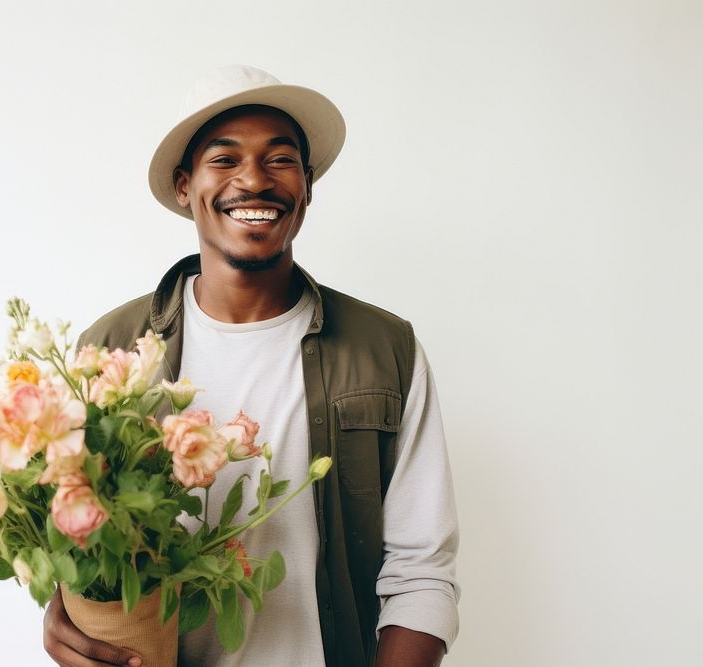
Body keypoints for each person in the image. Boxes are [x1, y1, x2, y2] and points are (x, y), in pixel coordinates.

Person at [43, 65, 459, 667]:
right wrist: (59, 615)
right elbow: (71, 541)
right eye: (224, 159)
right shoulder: (110, 351)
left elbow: (423, 573)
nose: (254, 180)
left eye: (280, 159)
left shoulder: (384, 349)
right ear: (185, 186)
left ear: (307, 186)